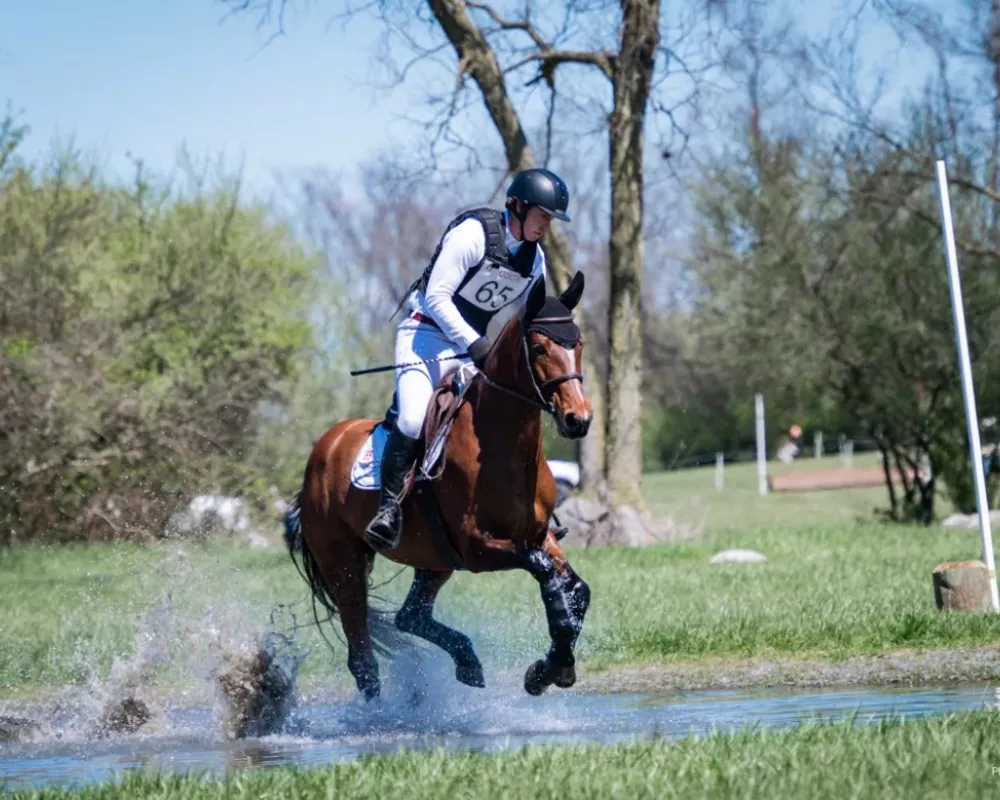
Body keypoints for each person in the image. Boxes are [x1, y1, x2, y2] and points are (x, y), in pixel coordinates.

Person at [363, 167, 572, 551]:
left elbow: (531, 319)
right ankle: (388, 510)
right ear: (519, 206)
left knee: (504, 414)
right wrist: (476, 344)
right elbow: (437, 298)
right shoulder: (471, 235)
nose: (546, 225)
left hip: (470, 348)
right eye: (542, 215)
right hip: (424, 335)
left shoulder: (534, 260)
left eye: (550, 219)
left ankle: (534, 510)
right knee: (412, 418)